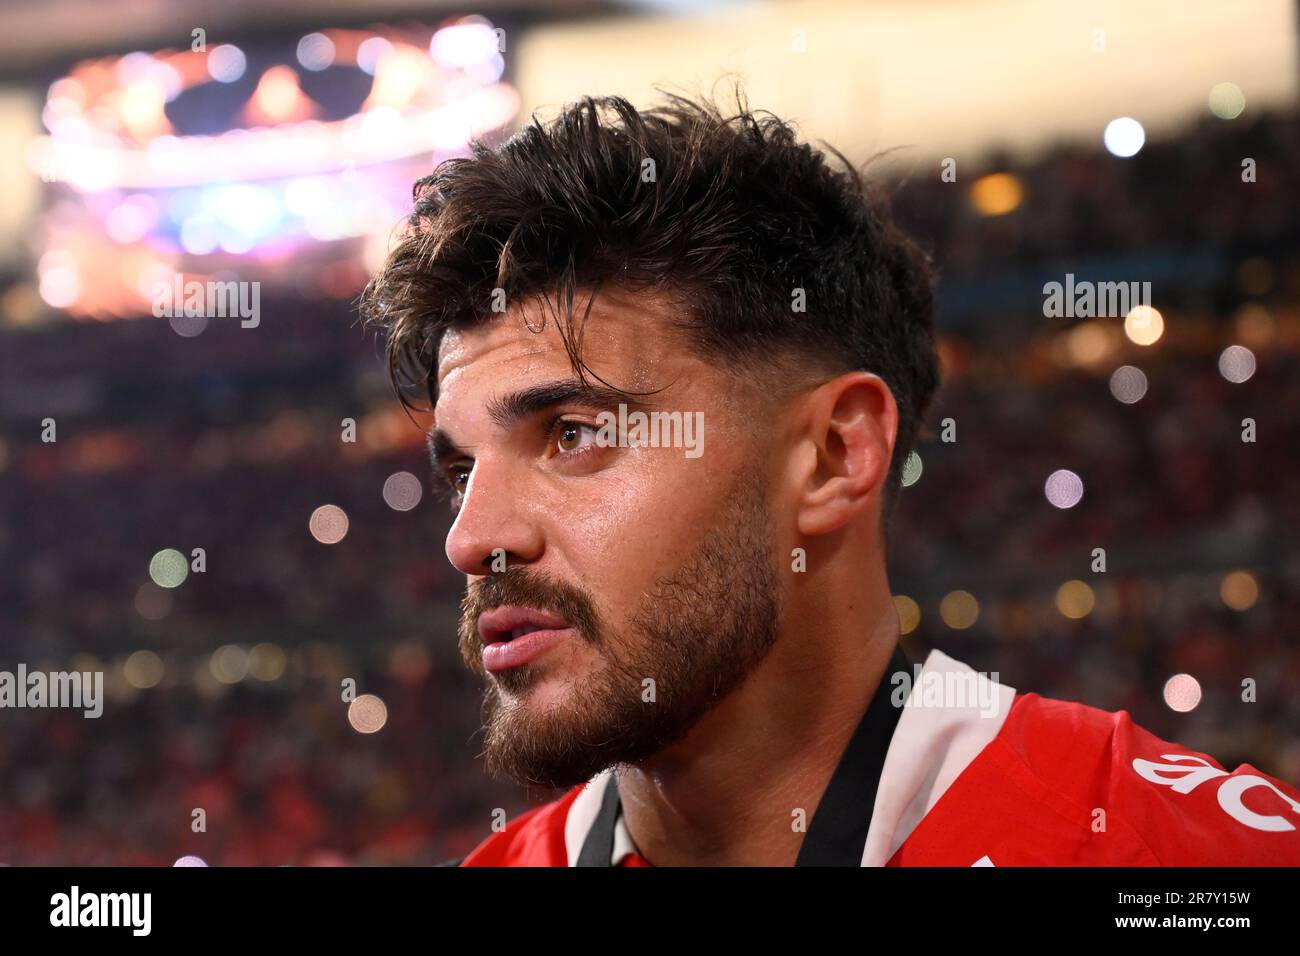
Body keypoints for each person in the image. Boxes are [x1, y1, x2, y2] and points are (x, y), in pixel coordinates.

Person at [363, 92, 1300, 866]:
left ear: (834, 457)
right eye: (460, 469)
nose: (470, 537)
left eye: (570, 434)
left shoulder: (1189, 861)